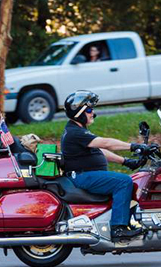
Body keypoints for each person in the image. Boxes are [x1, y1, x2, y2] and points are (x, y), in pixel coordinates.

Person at [61, 90, 156, 239]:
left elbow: (100, 150)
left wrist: (126, 161)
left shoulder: (78, 130)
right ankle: (118, 228)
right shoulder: (75, 132)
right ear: (79, 113)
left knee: (130, 180)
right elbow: (106, 143)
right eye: (90, 110)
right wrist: (134, 146)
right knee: (123, 182)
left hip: (85, 175)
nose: (93, 113)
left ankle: (128, 220)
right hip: (82, 176)